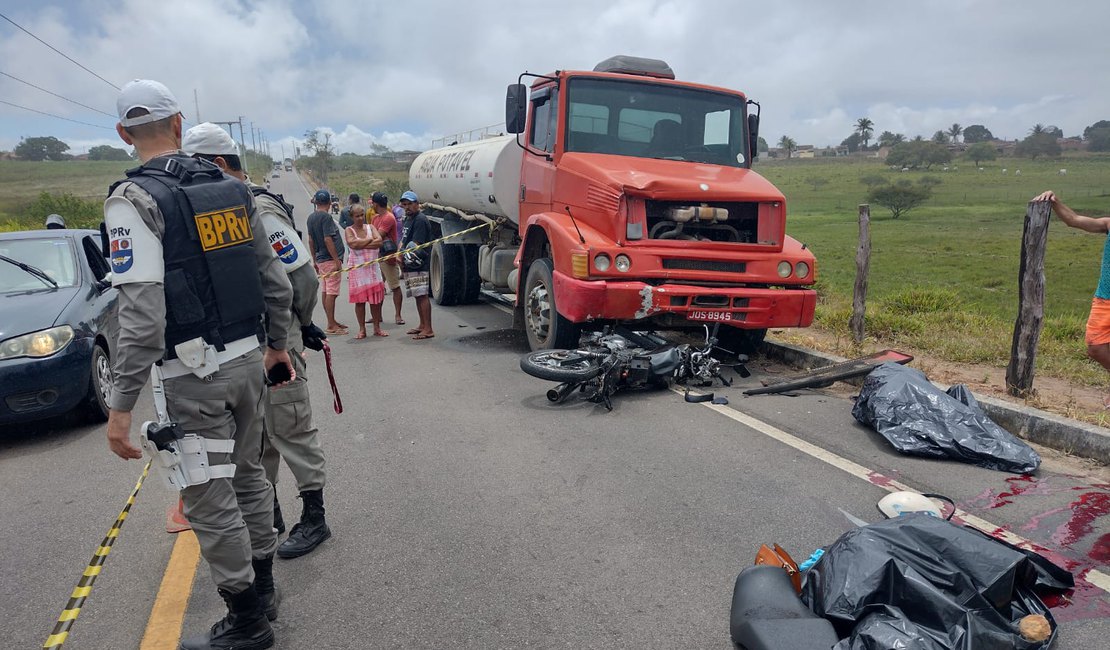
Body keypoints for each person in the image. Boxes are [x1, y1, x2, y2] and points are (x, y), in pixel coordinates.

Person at [103, 80, 294, 650]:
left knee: (208, 499)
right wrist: (278, 346)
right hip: (248, 363)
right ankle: (263, 588)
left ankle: (247, 621)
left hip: (192, 375)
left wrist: (119, 410)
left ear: (122, 134)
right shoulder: (231, 187)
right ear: (179, 124)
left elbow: (141, 322)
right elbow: (275, 281)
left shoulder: (131, 202)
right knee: (251, 475)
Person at [181, 122, 334, 560]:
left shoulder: (259, 209)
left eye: (196, 170)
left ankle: (314, 518)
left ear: (217, 164)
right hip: (246, 344)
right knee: (257, 439)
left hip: (275, 341)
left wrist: (297, 326)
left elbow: (302, 276)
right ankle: (269, 518)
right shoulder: (225, 205)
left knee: (291, 429)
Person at [1032, 191, 1110, 405]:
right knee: (1095, 347)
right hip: (1105, 298)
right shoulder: (1108, 224)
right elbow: (1074, 220)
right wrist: (1054, 201)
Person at [306, 189, 347, 334]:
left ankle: (332, 320)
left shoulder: (311, 218)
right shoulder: (326, 218)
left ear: (316, 202)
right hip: (329, 259)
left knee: (326, 290)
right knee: (332, 292)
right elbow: (327, 239)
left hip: (321, 259)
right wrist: (337, 260)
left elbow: (310, 240)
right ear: (329, 203)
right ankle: (331, 325)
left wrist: (314, 259)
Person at [344, 204, 385, 338]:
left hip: (373, 270)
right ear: (352, 217)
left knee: (375, 301)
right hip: (358, 272)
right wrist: (369, 240)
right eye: (357, 216)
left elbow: (379, 242)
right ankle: (362, 329)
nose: (361, 218)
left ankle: (377, 328)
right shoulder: (349, 230)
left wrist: (361, 243)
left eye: (362, 215)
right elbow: (353, 244)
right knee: (360, 302)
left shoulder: (370, 227)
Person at [399, 190, 434, 339]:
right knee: (417, 295)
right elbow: (404, 239)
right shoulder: (408, 219)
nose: (407, 207)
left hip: (418, 263)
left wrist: (403, 256)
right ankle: (422, 324)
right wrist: (399, 254)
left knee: (422, 295)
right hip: (408, 263)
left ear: (417, 204)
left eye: (410, 204)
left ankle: (428, 328)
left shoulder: (420, 219)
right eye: (404, 204)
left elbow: (416, 244)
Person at [371, 191, 404, 325]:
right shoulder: (376, 218)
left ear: (376, 204)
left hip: (387, 256)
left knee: (394, 286)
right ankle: (377, 315)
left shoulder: (388, 218)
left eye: (373, 203)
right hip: (378, 256)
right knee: (379, 287)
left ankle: (398, 315)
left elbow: (378, 236)